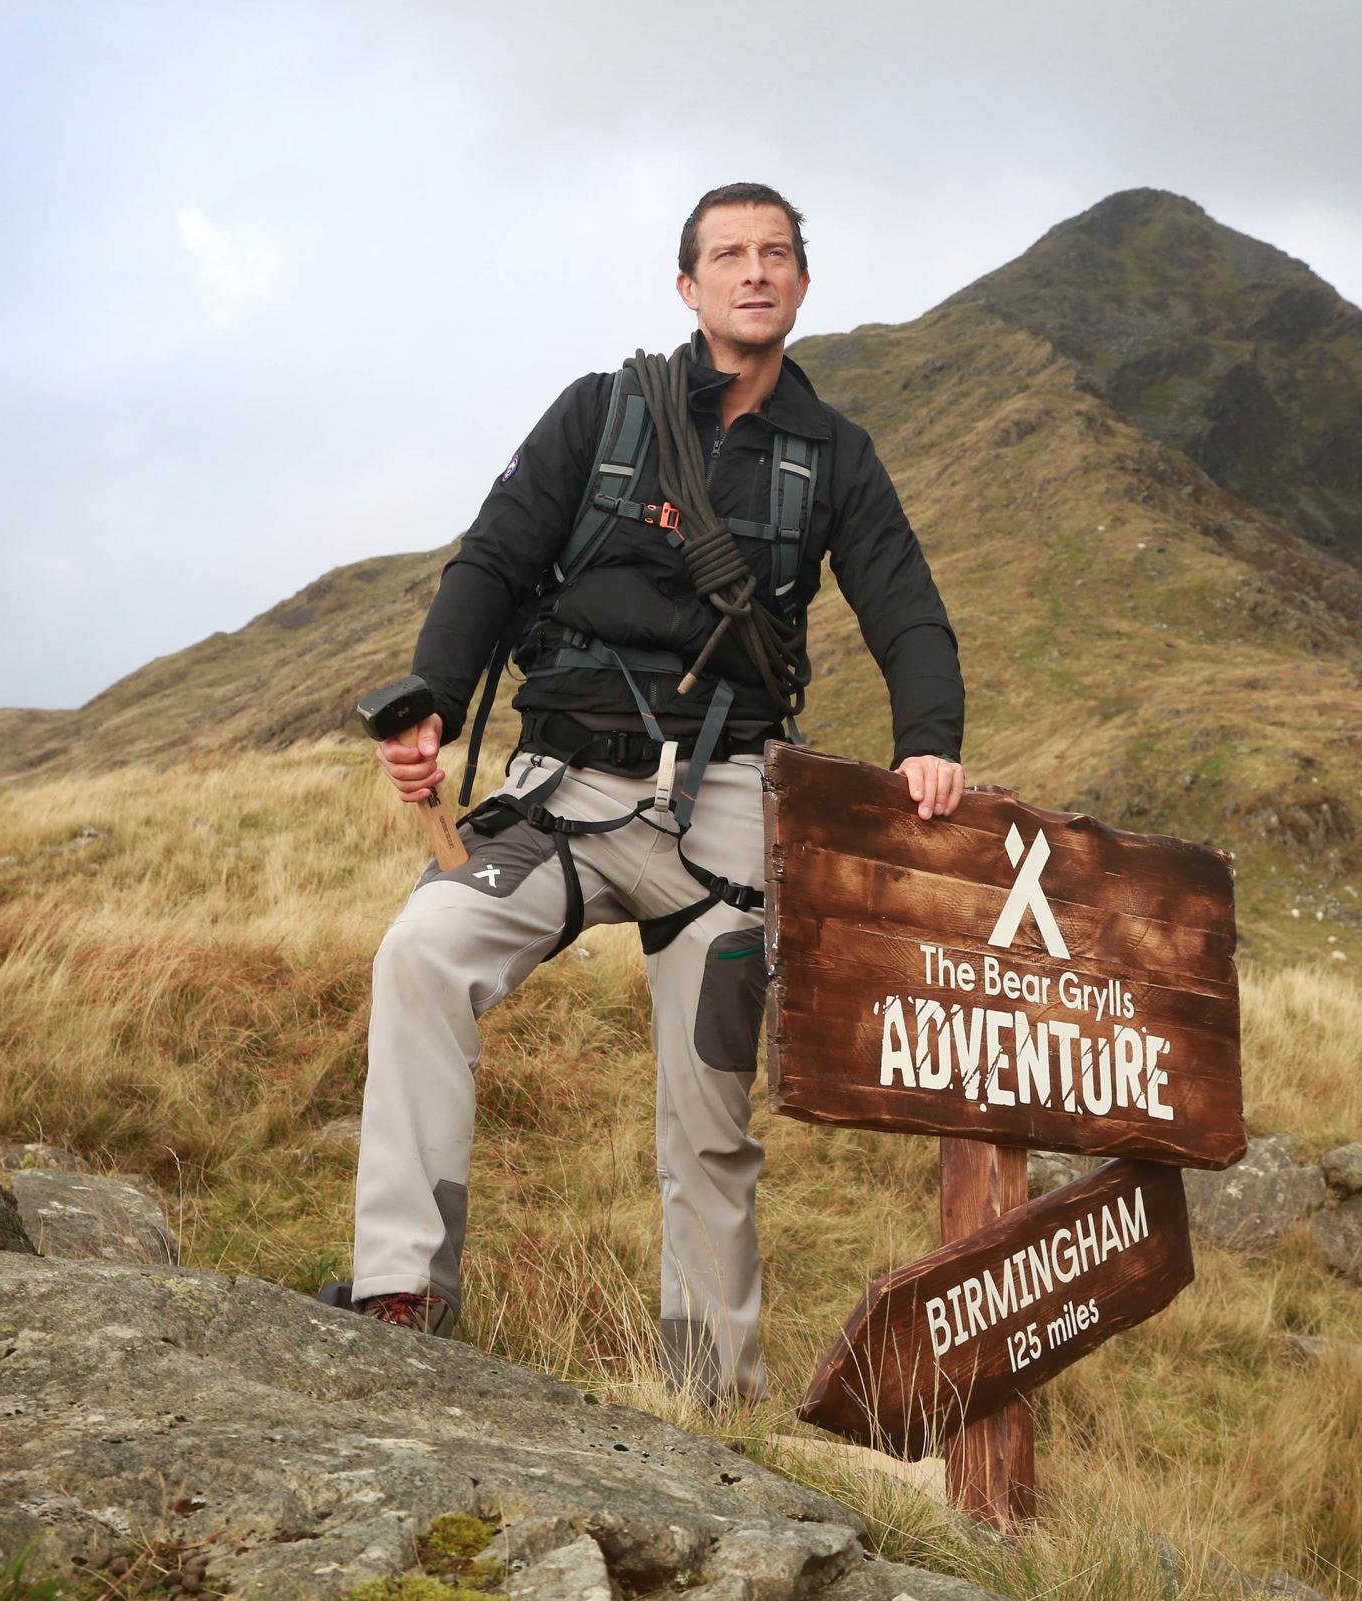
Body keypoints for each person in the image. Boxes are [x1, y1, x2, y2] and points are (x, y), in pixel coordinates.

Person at [347, 182, 966, 1402]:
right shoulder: (599, 412)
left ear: (801, 281)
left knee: (710, 1114)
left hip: (728, 826)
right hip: (561, 799)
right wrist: (432, 695)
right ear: (688, 287)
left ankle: (713, 1395)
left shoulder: (835, 454)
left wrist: (926, 741)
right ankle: (400, 1289)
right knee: (425, 950)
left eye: (775, 253)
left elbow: (907, 606)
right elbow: (495, 554)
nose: (753, 271)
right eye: (728, 255)